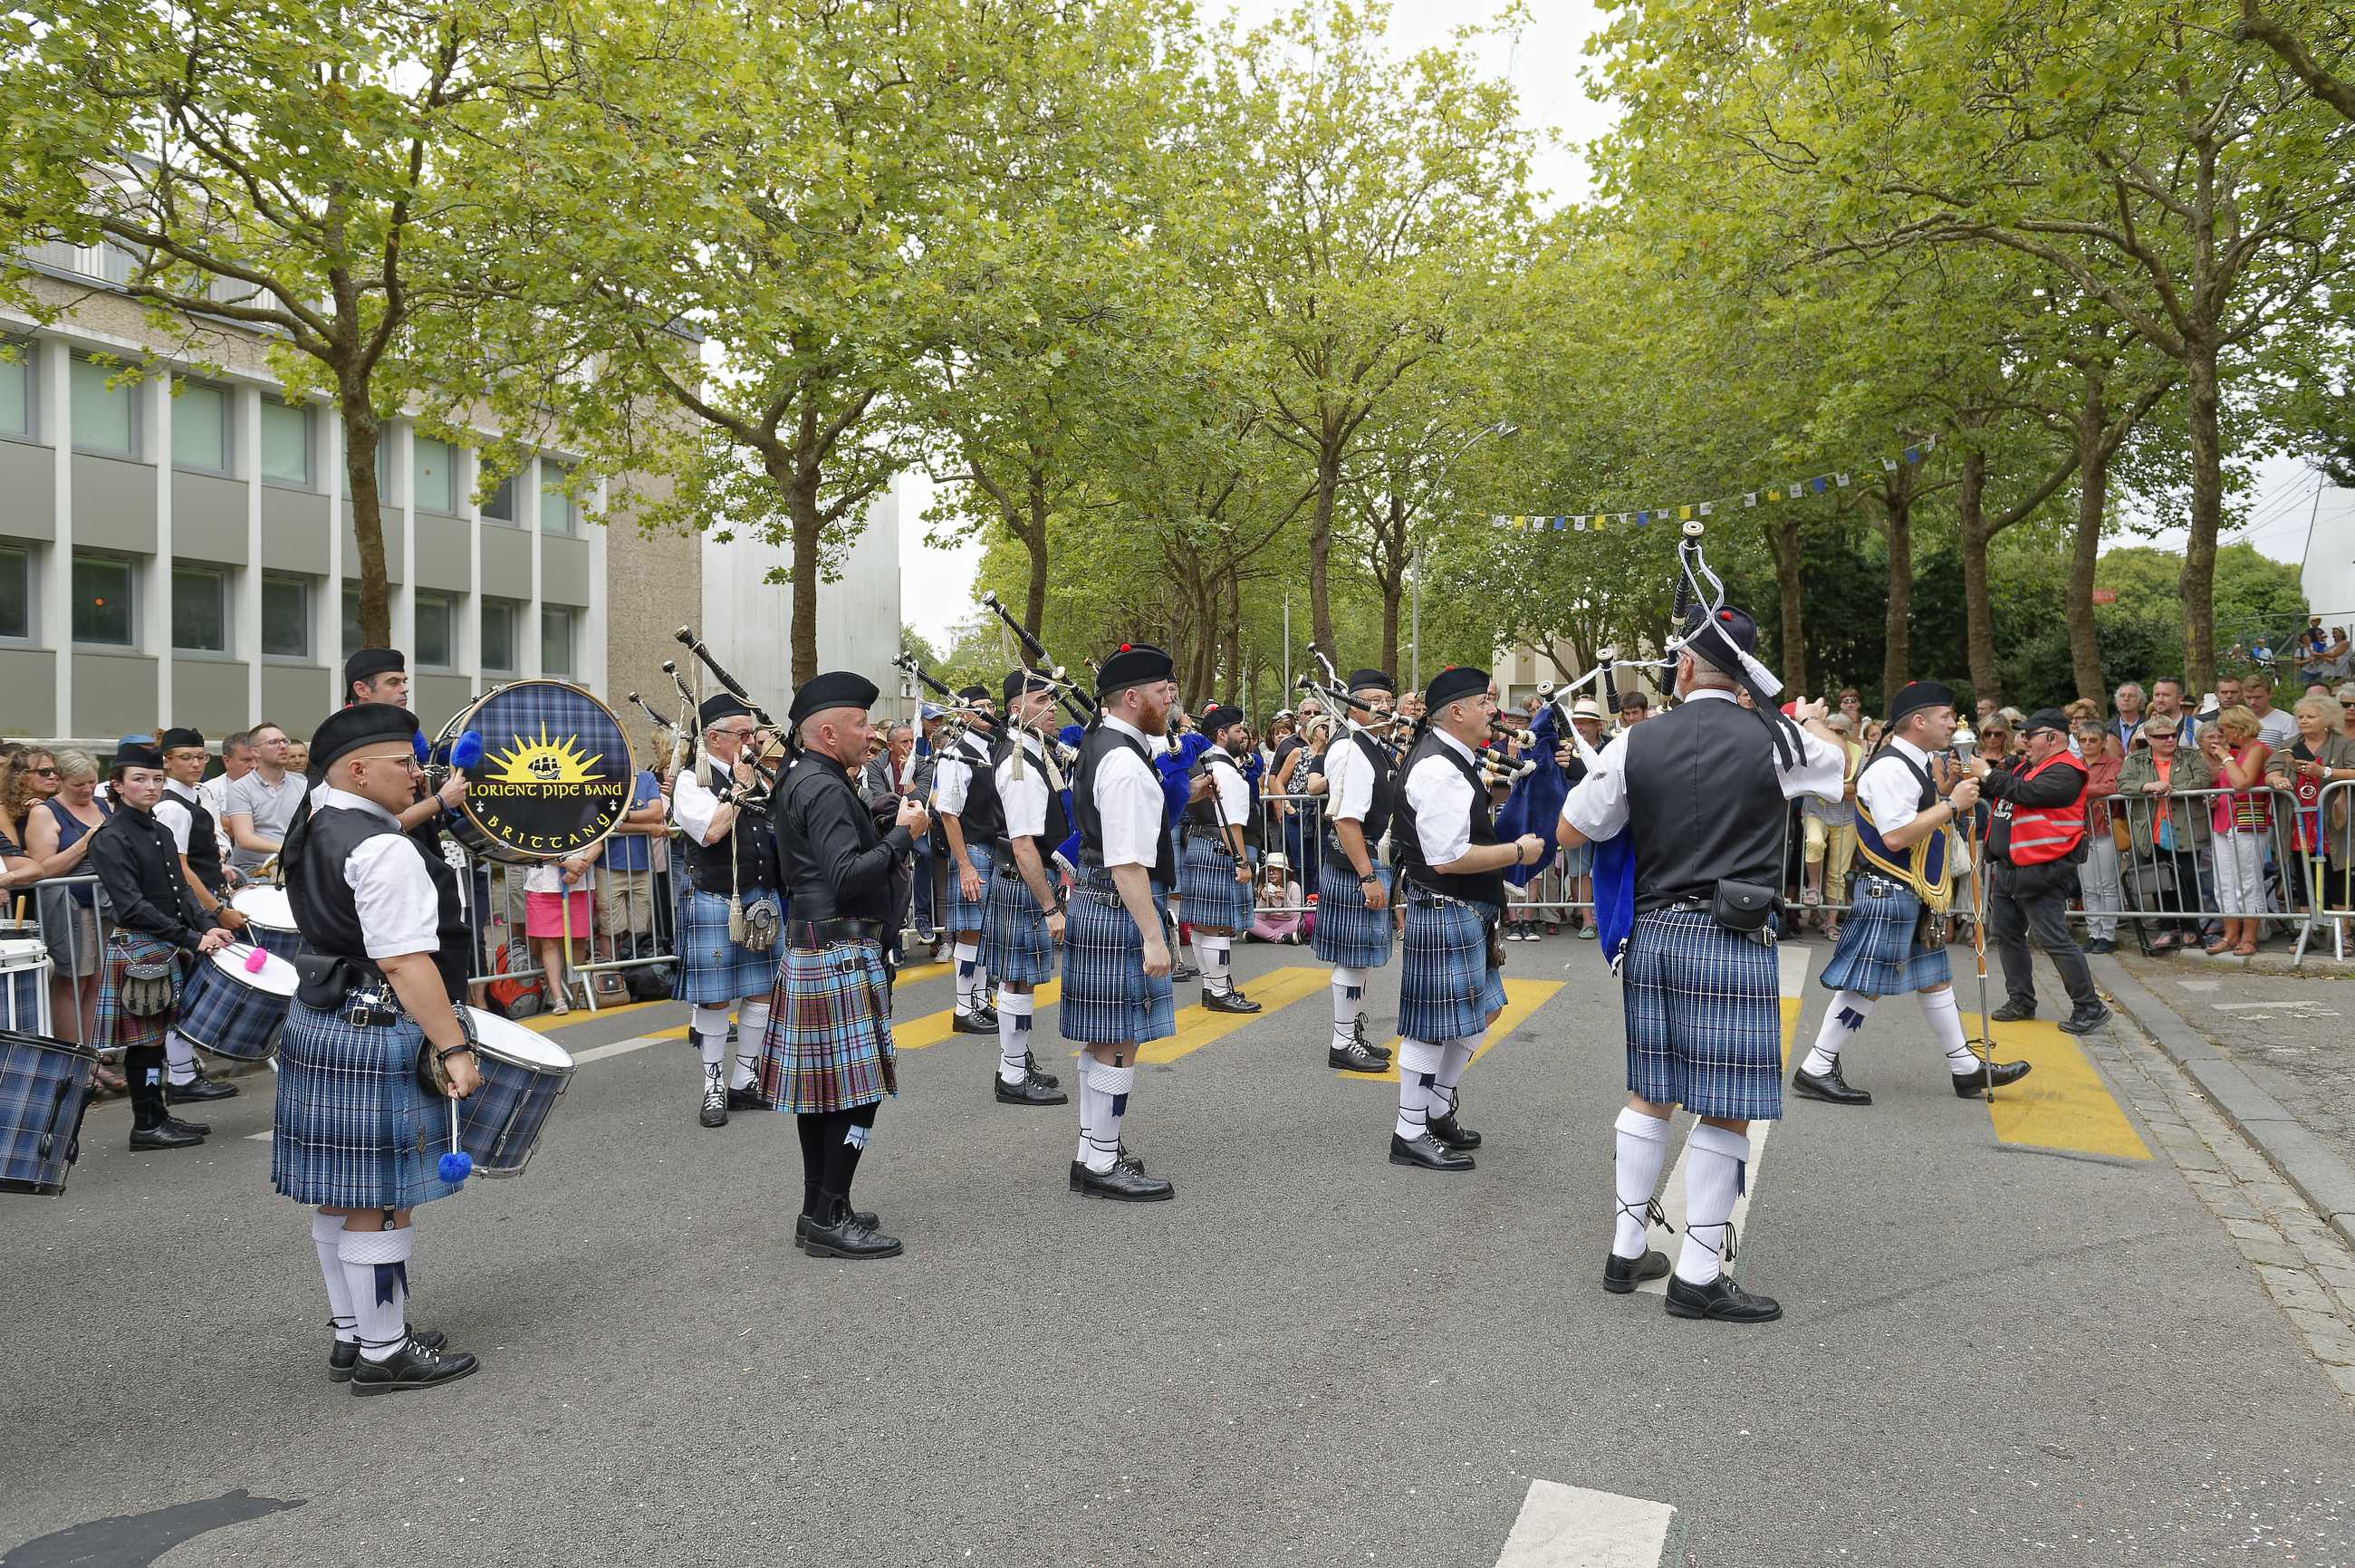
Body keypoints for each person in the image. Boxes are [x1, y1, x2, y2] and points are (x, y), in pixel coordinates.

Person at [1560, 606, 1849, 1323]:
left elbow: (1574, 827)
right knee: (1725, 1106)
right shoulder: (1778, 737)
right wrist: (1799, 715)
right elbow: (1839, 771)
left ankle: (1626, 1252)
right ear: (1744, 671)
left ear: (1685, 667)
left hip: (1656, 932)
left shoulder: (1634, 740)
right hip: (1730, 936)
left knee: (1649, 1092)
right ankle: (1695, 1274)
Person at [275, 703, 483, 1392]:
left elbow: (385, 825)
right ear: (358, 769)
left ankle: (352, 1333)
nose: (418, 771)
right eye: (405, 761)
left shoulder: (319, 819)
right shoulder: (384, 847)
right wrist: (452, 1045)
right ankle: (384, 1350)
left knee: (339, 1196)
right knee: (383, 1197)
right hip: (376, 1023)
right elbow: (405, 962)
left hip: (322, 1017)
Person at [1791, 680, 2033, 1108]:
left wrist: (1948, 797)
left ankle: (1964, 1067)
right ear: (1918, 721)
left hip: (1910, 890)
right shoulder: (1890, 768)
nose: (1952, 724)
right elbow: (1897, 835)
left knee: (1935, 978)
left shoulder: (1915, 763)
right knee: (1865, 986)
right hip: (1888, 890)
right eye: (1945, 717)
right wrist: (1951, 805)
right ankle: (1816, 1066)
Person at [763, 671, 928, 1259]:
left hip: (815, 946)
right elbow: (846, 874)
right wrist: (904, 836)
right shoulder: (827, 788)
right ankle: (832, 1208)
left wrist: (880, 828)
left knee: (822, 1095)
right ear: (828, 732)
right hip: (839, 949)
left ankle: (820, 1209)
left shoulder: (802, 778)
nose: (872, 733)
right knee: (860, 1096)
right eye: (861, 723)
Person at [1387, 666, 1537, 1174]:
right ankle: (1409, 1131)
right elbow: (1447, 858)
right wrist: (1517, 850)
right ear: (1457, 711)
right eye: (1484, 703)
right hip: (1446, 906)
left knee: (1484, 1012)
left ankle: (1434, 1107)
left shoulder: (1454, 760)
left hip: (1466, 910)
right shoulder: (1437, 768)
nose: (1493, 712)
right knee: (1430, 1028)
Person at [1061, 643, 1182, 1201]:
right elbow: (1128, 862)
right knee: (1119, 1040)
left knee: (1102, 1038)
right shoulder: (1127, 764)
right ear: (1133, 698)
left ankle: (1094, 1150)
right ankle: (1101, 1160)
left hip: (1097, 901)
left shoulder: (1101, 743)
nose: (1171, 697)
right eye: (1162, 690)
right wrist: (1155, 938)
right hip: (1118, 904)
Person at [90, 742, 236, 1150]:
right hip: (140, 948)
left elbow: (183, 893)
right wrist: (192, 937)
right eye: (139, 779)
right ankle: (146, 1123)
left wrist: (209, 924)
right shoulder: (110, 837)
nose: (150, 786)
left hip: (166, 944)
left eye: (157, 779)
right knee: (146, 1042)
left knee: (158, 1037)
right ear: (117, 786)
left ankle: (157, 1112)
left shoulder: (160, 830)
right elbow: (131, 906)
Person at [669, 694, 783, 1129]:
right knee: (714, 997)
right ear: (714, 738)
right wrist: (738, 789)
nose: (751, 741)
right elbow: (712, 832)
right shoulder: (691, 781)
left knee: (761, 991)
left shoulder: (760, 777)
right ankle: (713, 1084)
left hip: (761, 900)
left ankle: (744, 1079)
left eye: (752, 733)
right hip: (717, 899)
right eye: (742, 734)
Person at [1977, 710, 2109, 1033]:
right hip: (2012, 866)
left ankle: (2089, 1006)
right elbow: (2004, 792)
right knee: (2007, 936)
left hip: (2043, 867)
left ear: (2052, 737)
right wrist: (1977, 777)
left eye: (2030, 734)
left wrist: (1987, 775)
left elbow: (2029, 794)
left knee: (2053, 938)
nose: (2023, 740)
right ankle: (2021, 999)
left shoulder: (2067, 770)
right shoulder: (2032, 766)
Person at [983, 670, 1072, 1107]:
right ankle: (1012, 1073)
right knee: (1018, 981)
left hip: (1025, 881)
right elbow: (1022, 843)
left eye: (1053, 700)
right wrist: (1049, 906)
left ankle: (1014, 1062)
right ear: (1017, 709)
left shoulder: (1036, 753)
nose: (1052, 707)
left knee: (1022, 981)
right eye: (1042, 700)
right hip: (1023, 883)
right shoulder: (1018, 763)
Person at [154, 726, 249, 1102]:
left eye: (199, 757)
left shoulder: (193, 798)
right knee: (186, 990)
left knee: (191, 988)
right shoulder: (172, 806)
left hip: (201, 898)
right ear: (167, 762)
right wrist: (216, 910)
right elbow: (178, 869)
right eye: (185, 758)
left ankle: (183, 1073)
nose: (195, 764)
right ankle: (179, 1077)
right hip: (190, 906)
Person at [1315, 669, 1404, 1071]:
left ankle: (1350, 1032)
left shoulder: (1371, 743)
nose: (1383, 707)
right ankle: (1341, 1041)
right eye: (1374, 700)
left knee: (1360, 958)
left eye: (1388, 700)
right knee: (1352, 958)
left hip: (1365, 860)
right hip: (1357, 864)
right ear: (1354, 704)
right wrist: (1368, 877)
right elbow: (1346, 820)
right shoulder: (1351, 748)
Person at [1178, 703, 1261, 1015]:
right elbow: (1232, 823)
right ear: (1222, 734)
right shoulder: (1224, 768)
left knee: (1203, 927)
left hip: (1201, 843)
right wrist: (1241, 861)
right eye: (1239, 731)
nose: (1245, 735)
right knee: (1219, 927)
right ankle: (1221, 991)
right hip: (1220, 848)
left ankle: (1211, 987)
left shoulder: (1204, 763)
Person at [932, 687, 1004, 1034]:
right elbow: (948, 813)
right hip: (972, 850)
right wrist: (965, 865)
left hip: (989, 847)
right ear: (962, 715)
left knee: (982, 931)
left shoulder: (990, 750)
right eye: (980, 707)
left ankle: (976, 1001)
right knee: (971, 933)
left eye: (991, 706)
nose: (989, 712)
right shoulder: (955, 755)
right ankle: (963, 1007)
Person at [25, 748, 109, 1044]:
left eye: (91, 782)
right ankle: (73, 1059)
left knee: (97, 981)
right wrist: (84, 844)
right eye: (78, 784)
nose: (86, 789)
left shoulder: (102, 804)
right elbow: (41, 869)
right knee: (72, 981)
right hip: (70, 905)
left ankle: (91, 1056)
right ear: (60, 780)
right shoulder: (45, 812)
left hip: (105, 906)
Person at [2266, 694, 2355, 919]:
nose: (2303, 720)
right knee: (2304, 875)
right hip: (2299, 821)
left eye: (2310, 716)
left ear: (2327, 719)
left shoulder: (2345, 744)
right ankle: (2308, 928)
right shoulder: (2289, 744)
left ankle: (2341, 933)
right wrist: (2276, 779)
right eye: (2300, 716)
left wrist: (2324, 771)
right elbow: (2271, 770)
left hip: (2334, 822)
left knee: (2338, 875)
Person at [2203, 707, 2273, 957]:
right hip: (2223, 821)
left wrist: (2225, 757)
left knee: (2248, 881)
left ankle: (2249, 937)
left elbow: (2243, 784)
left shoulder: (2257, 749)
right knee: (2224, 882)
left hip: (2248, 822)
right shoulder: (2238, 752)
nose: (2221, 735)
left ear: (2238, 728)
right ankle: (2230, 934)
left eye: (2224, 730)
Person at [1800, 712, 1863, 934]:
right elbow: (1809, 781)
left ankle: (1832, 922)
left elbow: (1858, 789)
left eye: (1840, 732)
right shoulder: (1815, 748)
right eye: (1831, 730)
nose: (1835, 735)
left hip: (1846, 817)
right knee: (1815, 843)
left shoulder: (1858, 754)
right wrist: (1841, 788)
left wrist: (1832, 788)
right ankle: (1813, 887)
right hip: (1816, 811)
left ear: (1847, 734)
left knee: (1839, 870)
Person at [523, 840, 600, 1015]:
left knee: (579, 941)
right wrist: (566, 863)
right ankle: (559, 998)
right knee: (549, 943)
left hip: (580, 883)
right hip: (542, 885)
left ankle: (575, 992)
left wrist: (580, 867)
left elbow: (597, 843)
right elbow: (531, 846)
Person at [221, 722, 302, 878]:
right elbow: (245, 838)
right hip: (255, 871)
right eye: (274, 742)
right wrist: (284, 848)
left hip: (296, 865)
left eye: (285, 741)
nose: (283, 746)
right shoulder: (240, 788)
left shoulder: (303, 785)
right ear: (256, 752)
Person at [2076, 722, 2126, 954]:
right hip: (2081, 830)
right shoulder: (2076, 765)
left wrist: (2080, 792)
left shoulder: (2114, 763)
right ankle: (2093, 931)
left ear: (2103, 742)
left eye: (2093, 740)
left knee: (2107, 885)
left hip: (2105, 827)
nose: (2087, 744)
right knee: (2089, 887)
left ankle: (2108, 933)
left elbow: (2112, 786)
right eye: (2083, 740)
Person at [196, 730, 254, 832]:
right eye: (246, 760)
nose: (254, 765)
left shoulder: (272, 786)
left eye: (257, 759)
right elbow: (211, 826)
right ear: (226, 761)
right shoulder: (209, 790)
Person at [1248, 855, 1307, 943]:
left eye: (1275, 869)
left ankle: (1263, 936)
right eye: (1268, 870)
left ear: (1284, 871)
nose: (1271, 873)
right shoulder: (1263, 886)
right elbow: (1260, 917)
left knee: (1299, 924)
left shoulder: (1293, 886)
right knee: (1249, 923)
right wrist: (1264, 900)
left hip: (1287, 923)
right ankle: (1281, 937)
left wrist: (1285, 899)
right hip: (1268, 923)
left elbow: (1296, 916)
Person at [2244, 675, 2298, 752]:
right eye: (2248, 698)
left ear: (2270, 694)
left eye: (2258, 697)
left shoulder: (2287, 720)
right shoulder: (2239, 718)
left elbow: (2290, 753)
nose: (2252, 702)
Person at [2110, 683, 2148, 754]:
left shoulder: (2148, 725)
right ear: (2117, 701)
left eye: (2131, 696)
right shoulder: (2107, 728)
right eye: (2122, 695)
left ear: (2140, 701)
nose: (2126, 699)